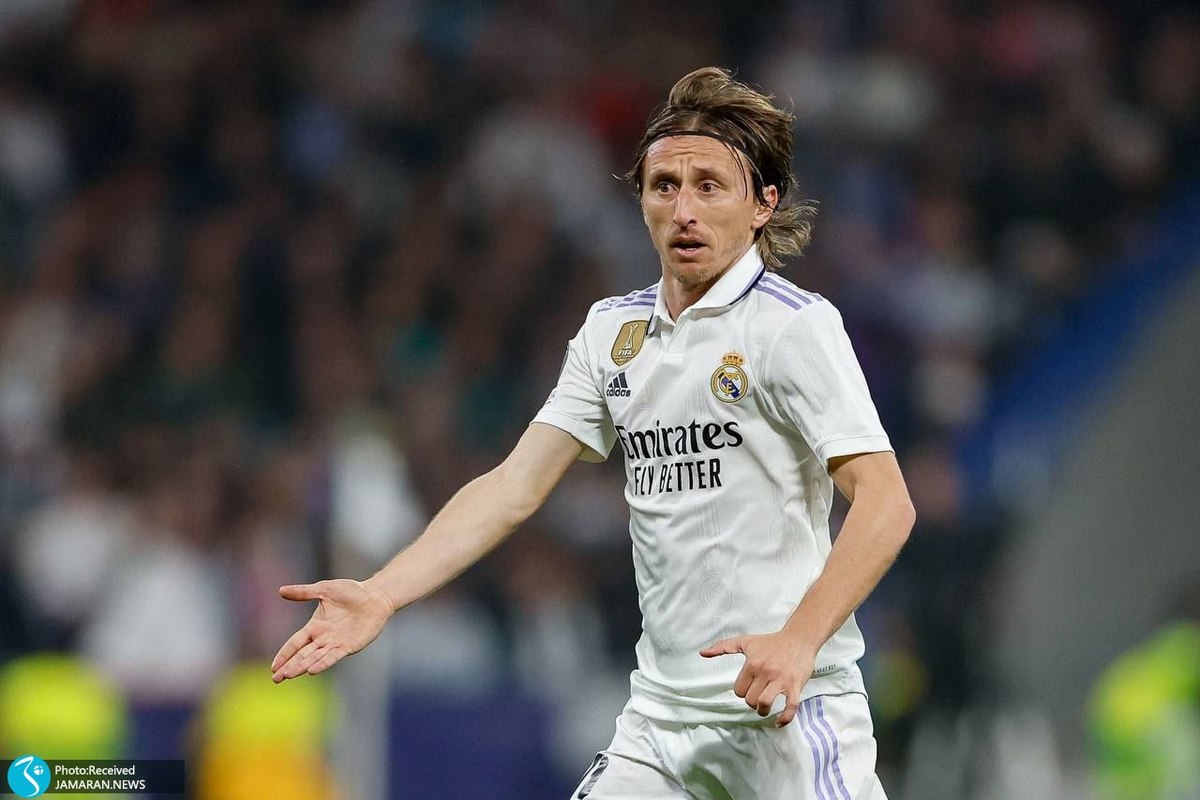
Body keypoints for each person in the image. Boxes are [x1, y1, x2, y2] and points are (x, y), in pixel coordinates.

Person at [271, 66, 915, 799]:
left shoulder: (792, 327)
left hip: (787, 708)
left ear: (763, 203)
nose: (683, 210)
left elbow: (886, 503)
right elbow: (514, 486)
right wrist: (383, 593)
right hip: (662, 722)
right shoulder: (613, 333)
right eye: (664, 186)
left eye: (710, 186)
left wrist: (800, 640)